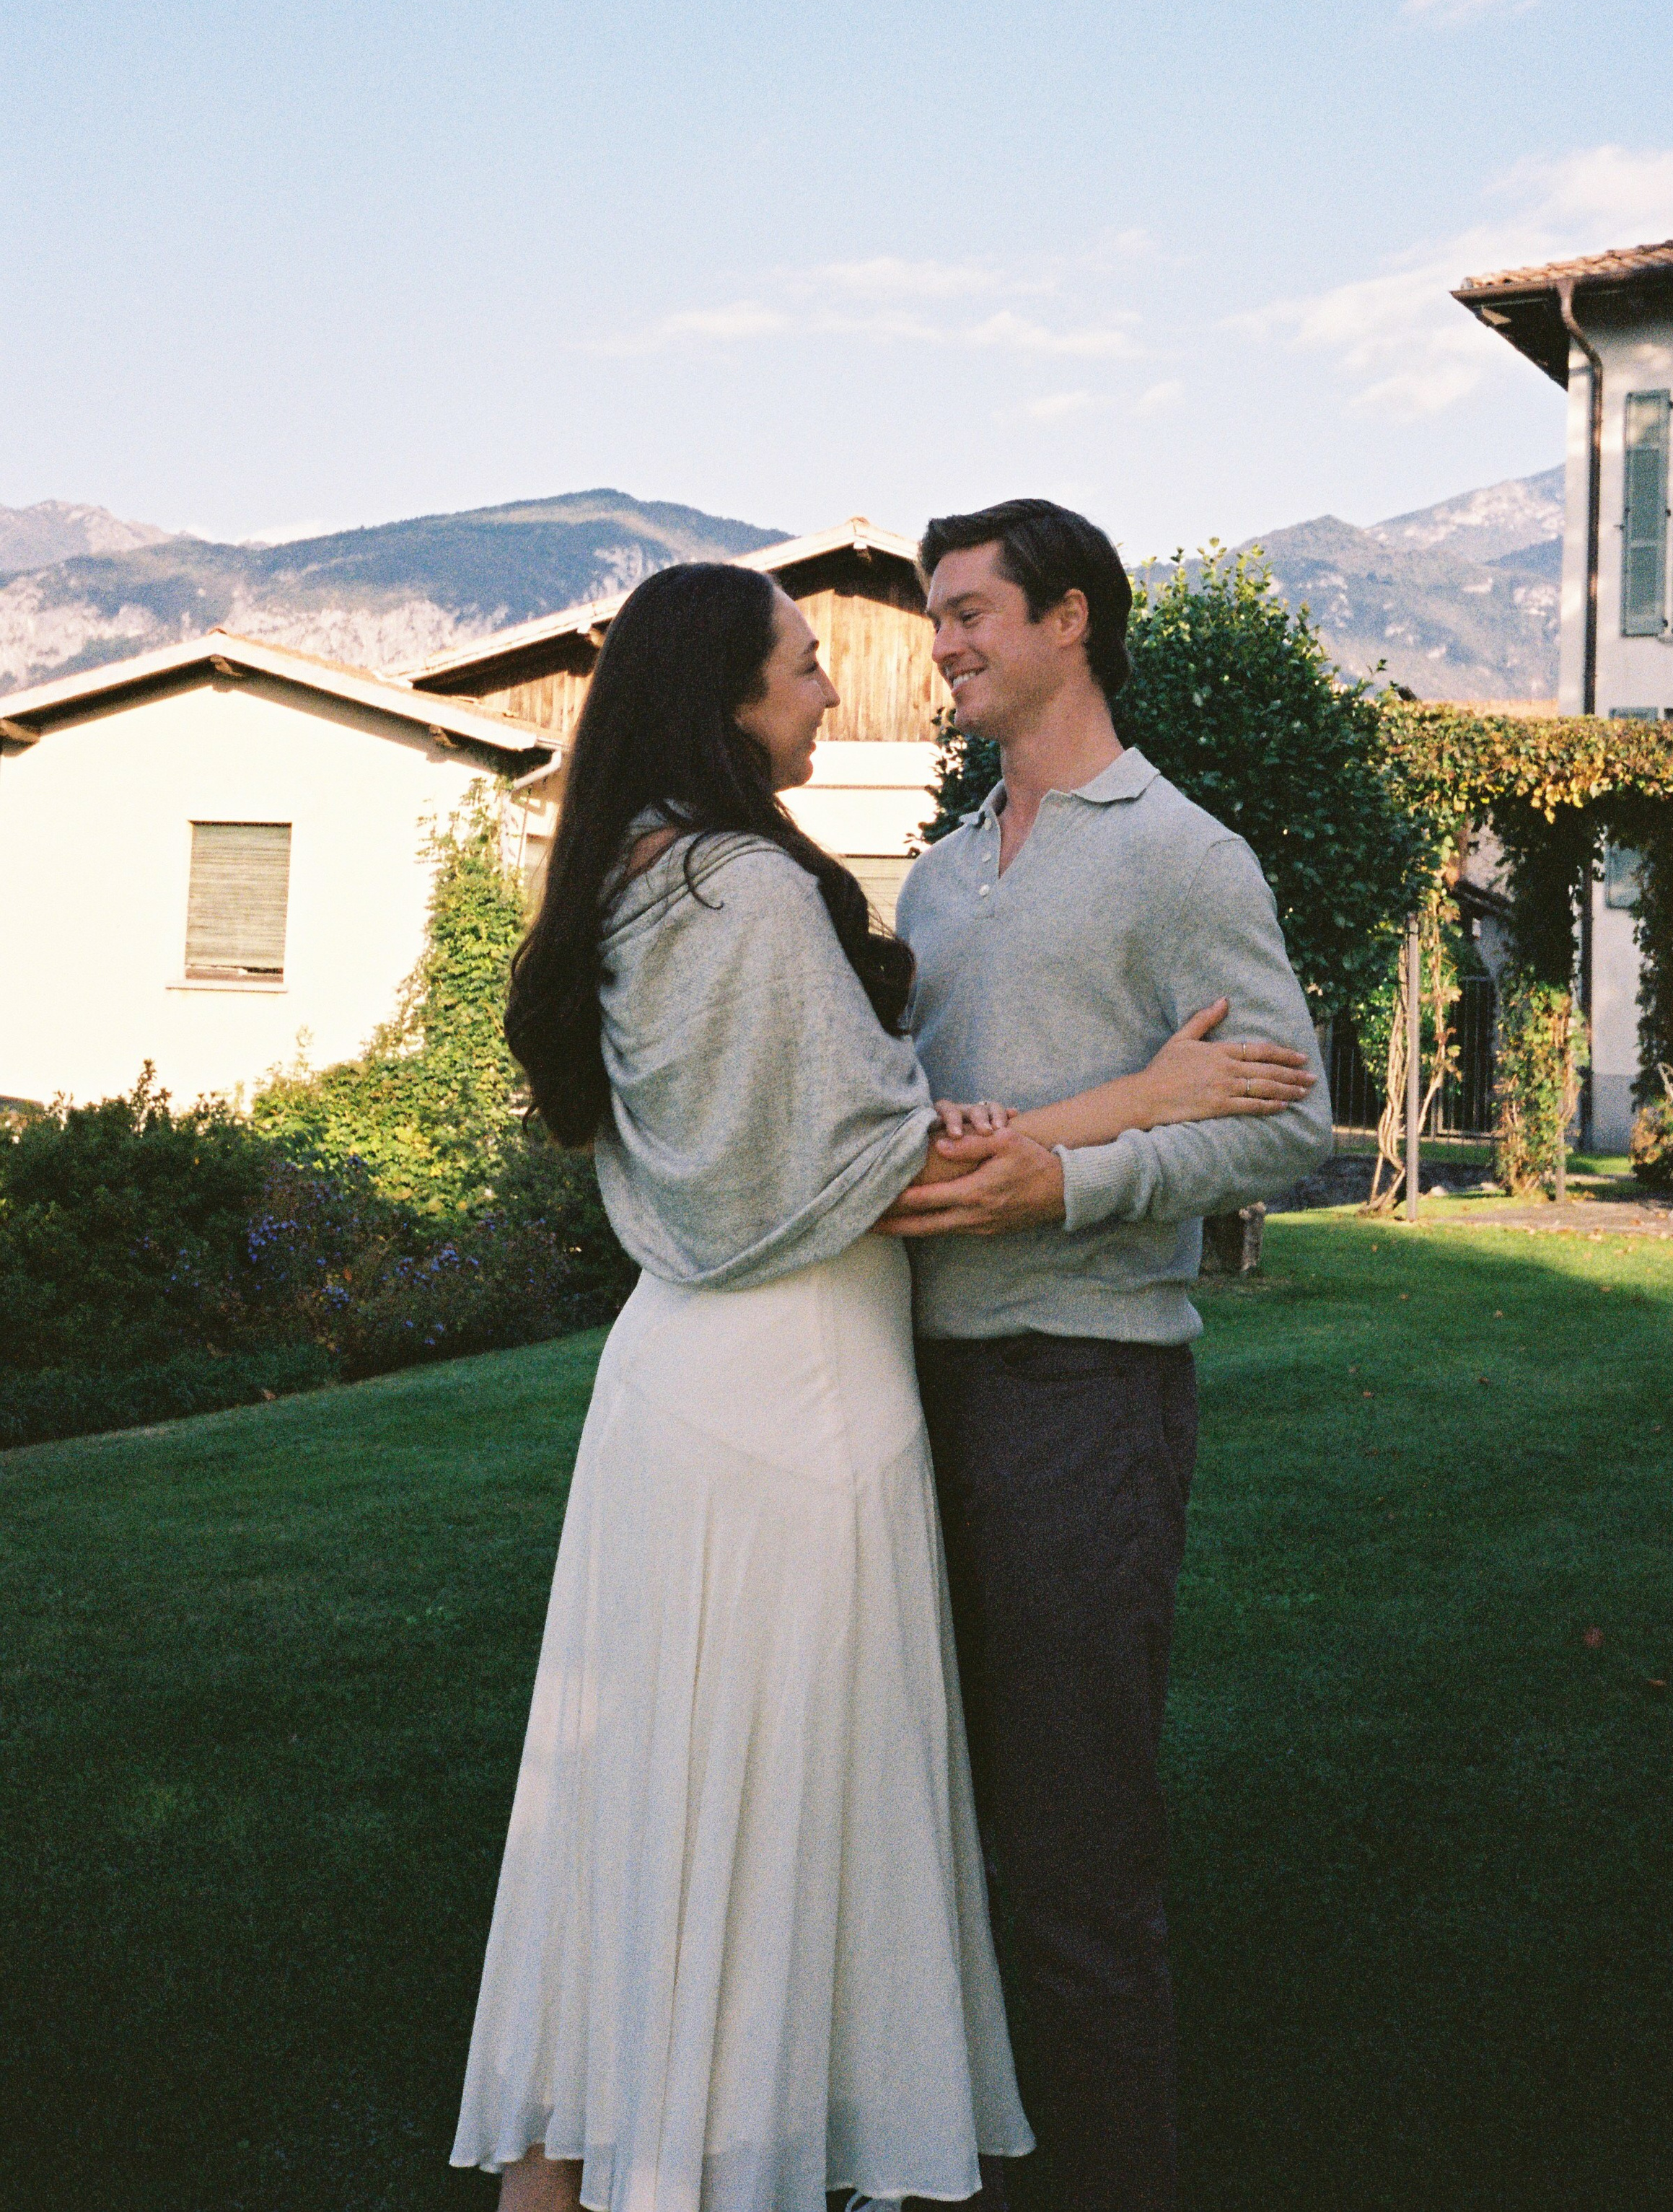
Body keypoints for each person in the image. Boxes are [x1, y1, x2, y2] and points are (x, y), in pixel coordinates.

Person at [449, 558, 1317, 2212]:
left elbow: (835, 1144)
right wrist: (1140, 1095)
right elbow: (882, 1166)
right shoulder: (759, 892)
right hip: (795, 1395)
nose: (846, 680)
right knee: (783, 1792)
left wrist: (1106, 1120)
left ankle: (577, 2168)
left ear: (1069, 620)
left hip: (681, 1384)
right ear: (722, 696)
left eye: (967, 612)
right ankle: (748, 2155)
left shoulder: (627, 877)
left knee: (647, 1790)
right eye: (799, 663)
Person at [882, 498, 1335, 2212]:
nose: (944, 643)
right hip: (899, 1394)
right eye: (938, 616)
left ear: (1071, 618)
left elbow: (1281, 1118)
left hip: (1083, 1390)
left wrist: (1071, 1180)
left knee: (1072, 1857)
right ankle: (951, 2163)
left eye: (973, 611)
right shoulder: (935, 867)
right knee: (919, 1826)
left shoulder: (1181, 854)